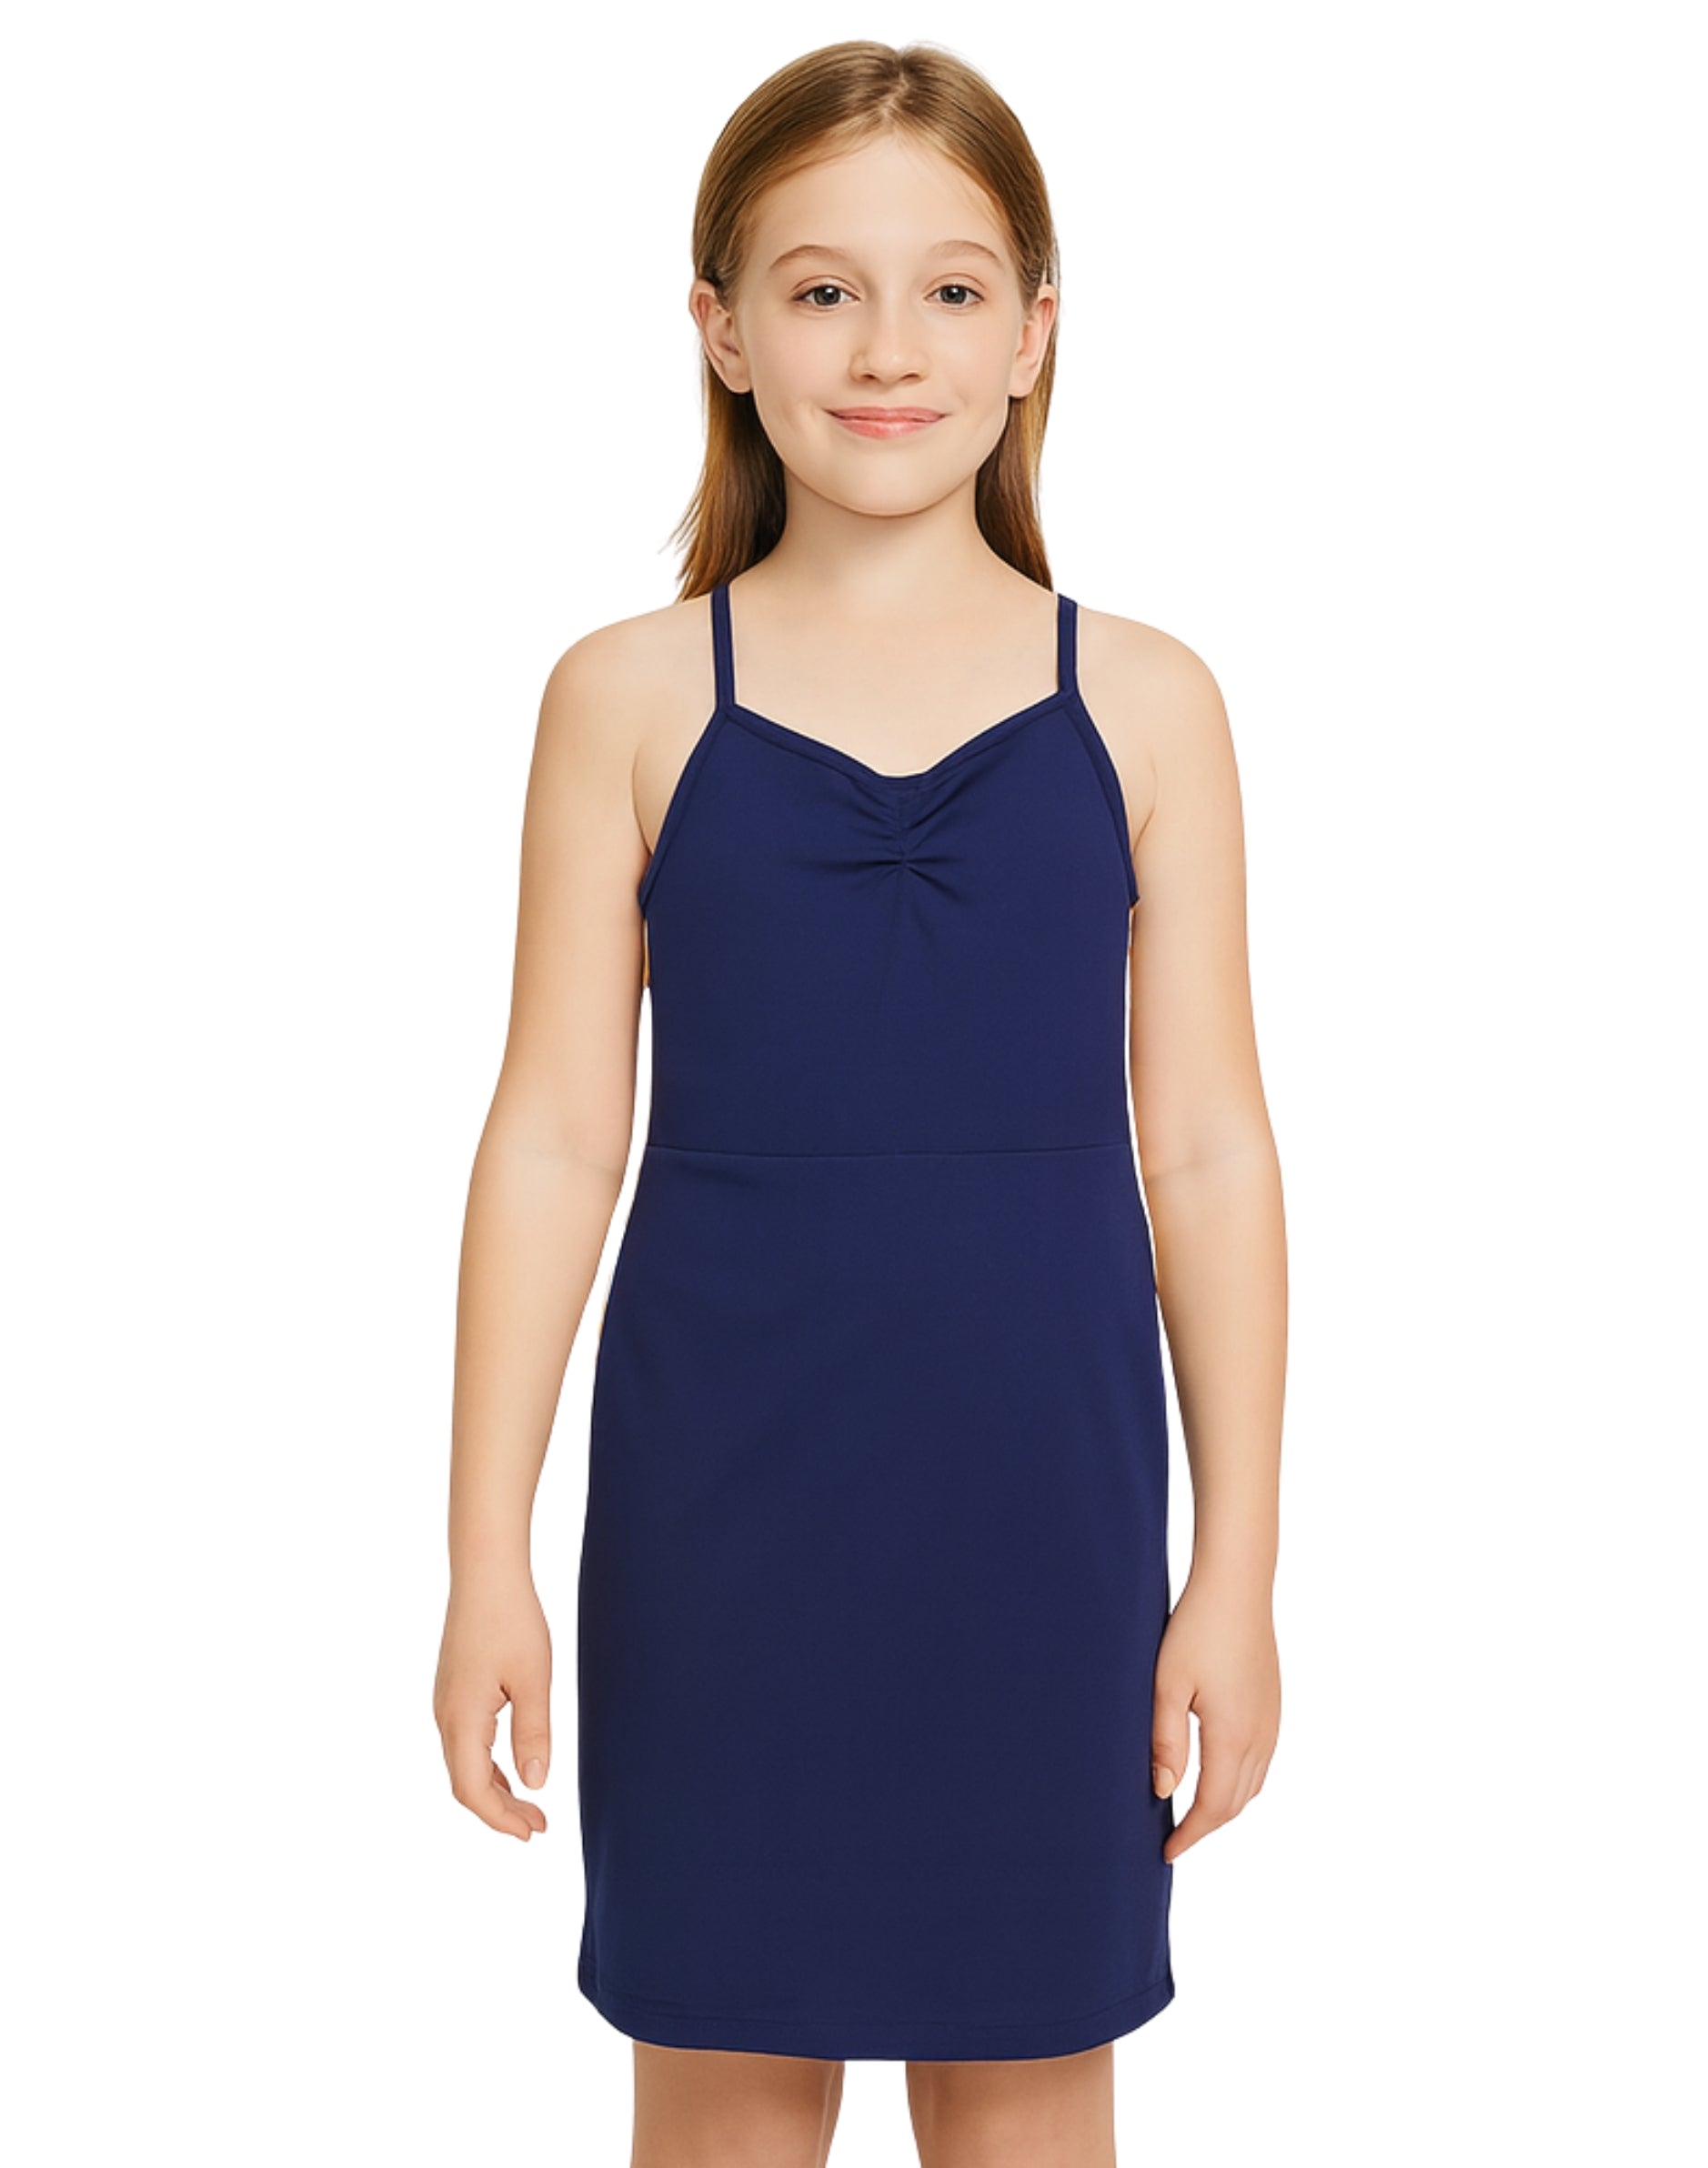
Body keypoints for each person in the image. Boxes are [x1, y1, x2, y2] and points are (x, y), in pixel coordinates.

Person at [434, 37, 1285, 2168]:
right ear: (721, 329)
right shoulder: (624, 696)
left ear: (1034, 332)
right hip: (718, 1513)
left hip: (1043, 1513)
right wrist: (483, 1554)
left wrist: (1236, 1566)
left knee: (1028, 2095)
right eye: (820, 290)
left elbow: (1204, 1150)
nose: (886, 348)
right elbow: (551, 1137)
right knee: (722, 2095)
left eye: (949, 290)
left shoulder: (1148, 701)